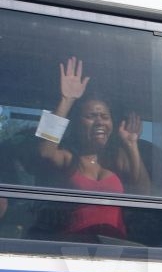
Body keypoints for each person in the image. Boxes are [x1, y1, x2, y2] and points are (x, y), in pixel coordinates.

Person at [36, 57, 151, 240]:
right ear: (77, 124)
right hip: (76, 246)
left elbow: (144, 193)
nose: (99, 122)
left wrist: (132, 145)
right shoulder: (69, 159)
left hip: (114, 247)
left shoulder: (116, 158)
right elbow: (45, 152)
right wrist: (67, 100)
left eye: (105, 117)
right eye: (91, 116)